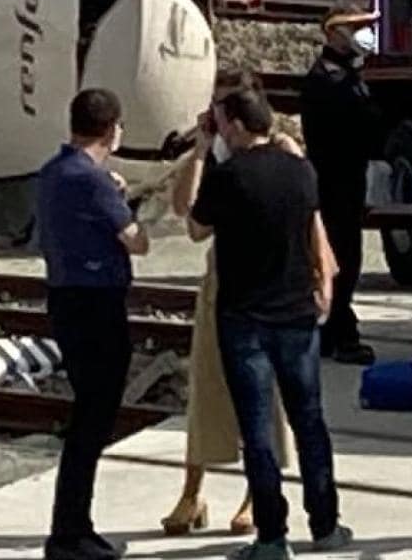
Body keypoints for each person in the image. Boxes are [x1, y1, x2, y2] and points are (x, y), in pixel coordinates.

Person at [189, 84, 349, 560]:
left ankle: (272, 537)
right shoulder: (301, 172)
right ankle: (325, 524)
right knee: (310, 421)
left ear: (236, 124)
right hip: (296, 312)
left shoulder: (228, 175)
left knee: (257, 431)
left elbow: (196, 228)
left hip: (245, 317)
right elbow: (312, 230)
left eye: (220, 122)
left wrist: (201, 158)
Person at [161, 72, 296, 539]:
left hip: (266, 281)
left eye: (224, 106)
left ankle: (258, 494)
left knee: (263, 393)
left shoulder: (276, 150)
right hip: (221, 276)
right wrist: (198, 151)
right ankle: (191, 491)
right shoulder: (215, 154)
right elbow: (186, 212)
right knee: (206, 385)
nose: (216, 115)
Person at [36, 87, 148, 560]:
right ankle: (70, 531)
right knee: (94, 419)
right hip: (98, 302)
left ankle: (74, 525)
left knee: (87, 411)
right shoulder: (94, 181)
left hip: (63, 297)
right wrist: (129, 205)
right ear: (112, 129)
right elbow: (137, 242)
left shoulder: (52, 173)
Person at [300, 6, 384, 364]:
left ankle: (337, 326)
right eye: (356, 27)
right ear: (333, 33)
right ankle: (335, 329)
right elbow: (345, 128)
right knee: (338, 258)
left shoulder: (350, 75)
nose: (364, 33)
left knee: (349, 256)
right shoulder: (325, 79)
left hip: (349, 178)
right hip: (332, 179)